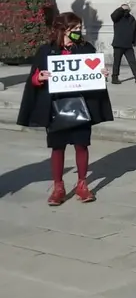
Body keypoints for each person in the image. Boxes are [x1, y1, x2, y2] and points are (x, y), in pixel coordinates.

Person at [17, 12, 114, 205]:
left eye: (80, 28)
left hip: (81, 105)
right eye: (74, 29)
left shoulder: (86, 48)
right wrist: (40, 78)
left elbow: (94, 76)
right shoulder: (46, 51)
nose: (79, 32)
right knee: (57, 147)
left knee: (81, 145)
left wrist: (101, 74)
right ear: (63, 30)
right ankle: (58, 187)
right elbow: (34, 79)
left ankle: (82, 184)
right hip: (55, 106)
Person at [109, 3, 136, 84]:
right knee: (117, 62)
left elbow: (134, 31)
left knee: (132, 61)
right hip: (118, 44)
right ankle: (114, 78)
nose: (126, 11)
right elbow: (113, 15)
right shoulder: (117, 18)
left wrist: (135, 42)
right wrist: (121, 8)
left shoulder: (131, 18)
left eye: (127, 9)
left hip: (128, 45)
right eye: (124, 9)